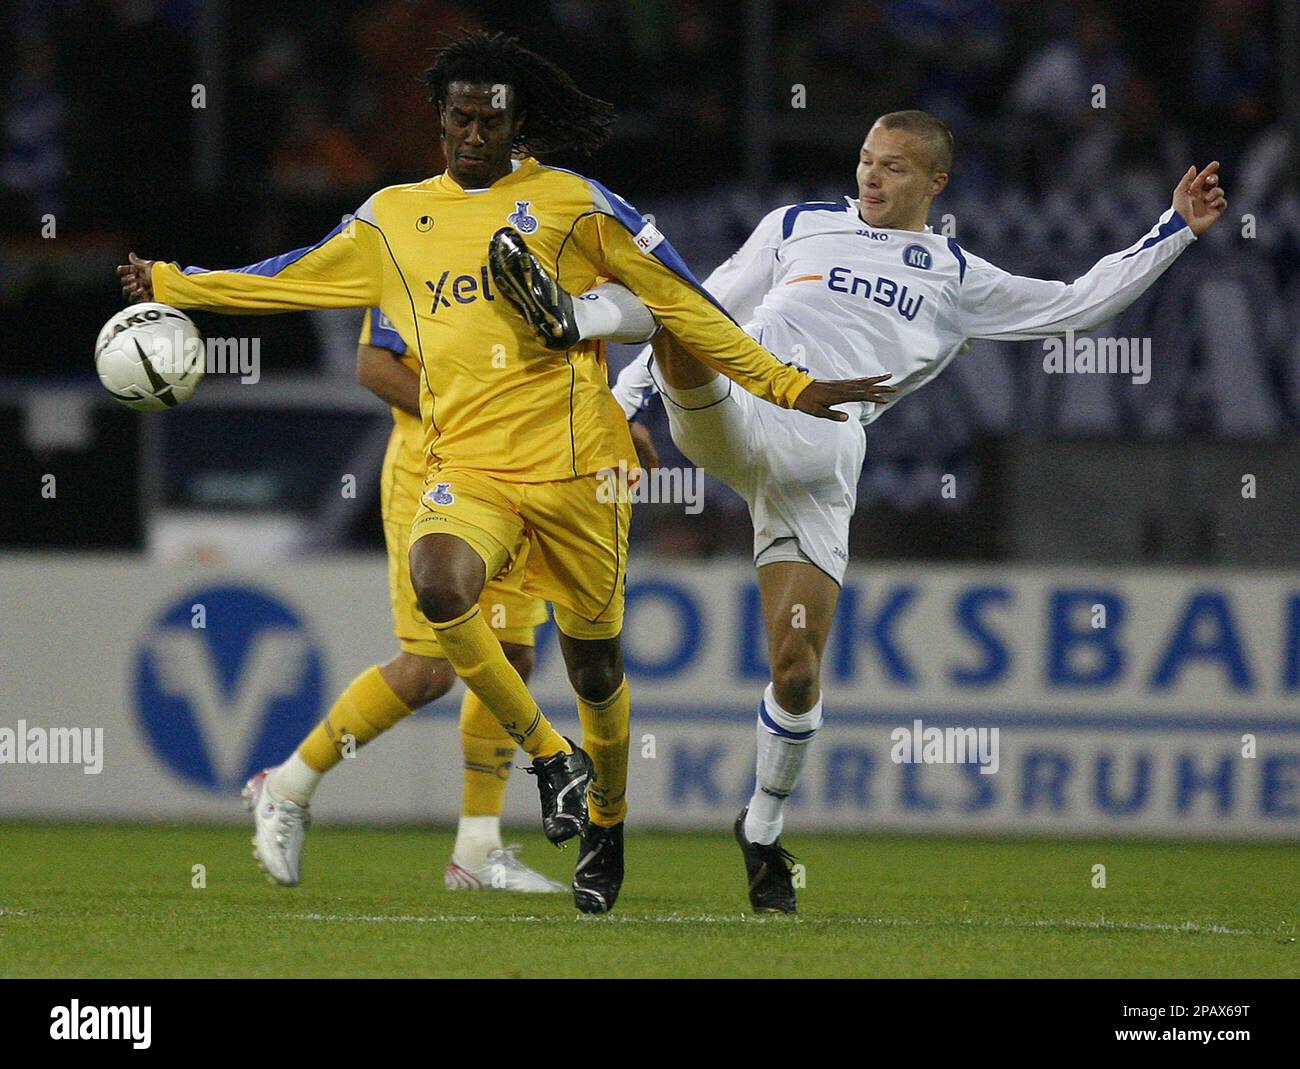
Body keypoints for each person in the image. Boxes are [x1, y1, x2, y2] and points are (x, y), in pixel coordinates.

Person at [116, 31, 887, 913]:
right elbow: (291, 278)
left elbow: (682, 304)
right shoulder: (392, 217)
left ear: (519, 124)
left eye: (492, 119)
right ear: (438, 120)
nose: (474, 133)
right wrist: (175, 283)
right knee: (439, 586)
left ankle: (607, 820)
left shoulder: (575, 204)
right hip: (469, 472)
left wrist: (787, 384)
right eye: (460, 117)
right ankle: (548, 758)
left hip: (578, 474)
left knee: (596, 667)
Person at [495, 109, 1228, 913]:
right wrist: (627, 405)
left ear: (936, 183)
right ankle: (576, 316)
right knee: (675, 308)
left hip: (821, 460)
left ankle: (764, 827)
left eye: (895, 168)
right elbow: (703, 302)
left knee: (798, 669)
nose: (872, 178)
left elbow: (1078, 304)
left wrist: (1178, 229)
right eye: (866, 161)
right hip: (742, 404)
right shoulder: (798, 226)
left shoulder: (955, 276)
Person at [243, 307, 564, 893]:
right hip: (434, 478)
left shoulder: (539, 239)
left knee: (512, 657)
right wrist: (474, 413)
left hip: (518, 475)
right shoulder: (415, 236)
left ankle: (477, 848)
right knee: (431, 669)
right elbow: (374, 366)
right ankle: (288, 785)